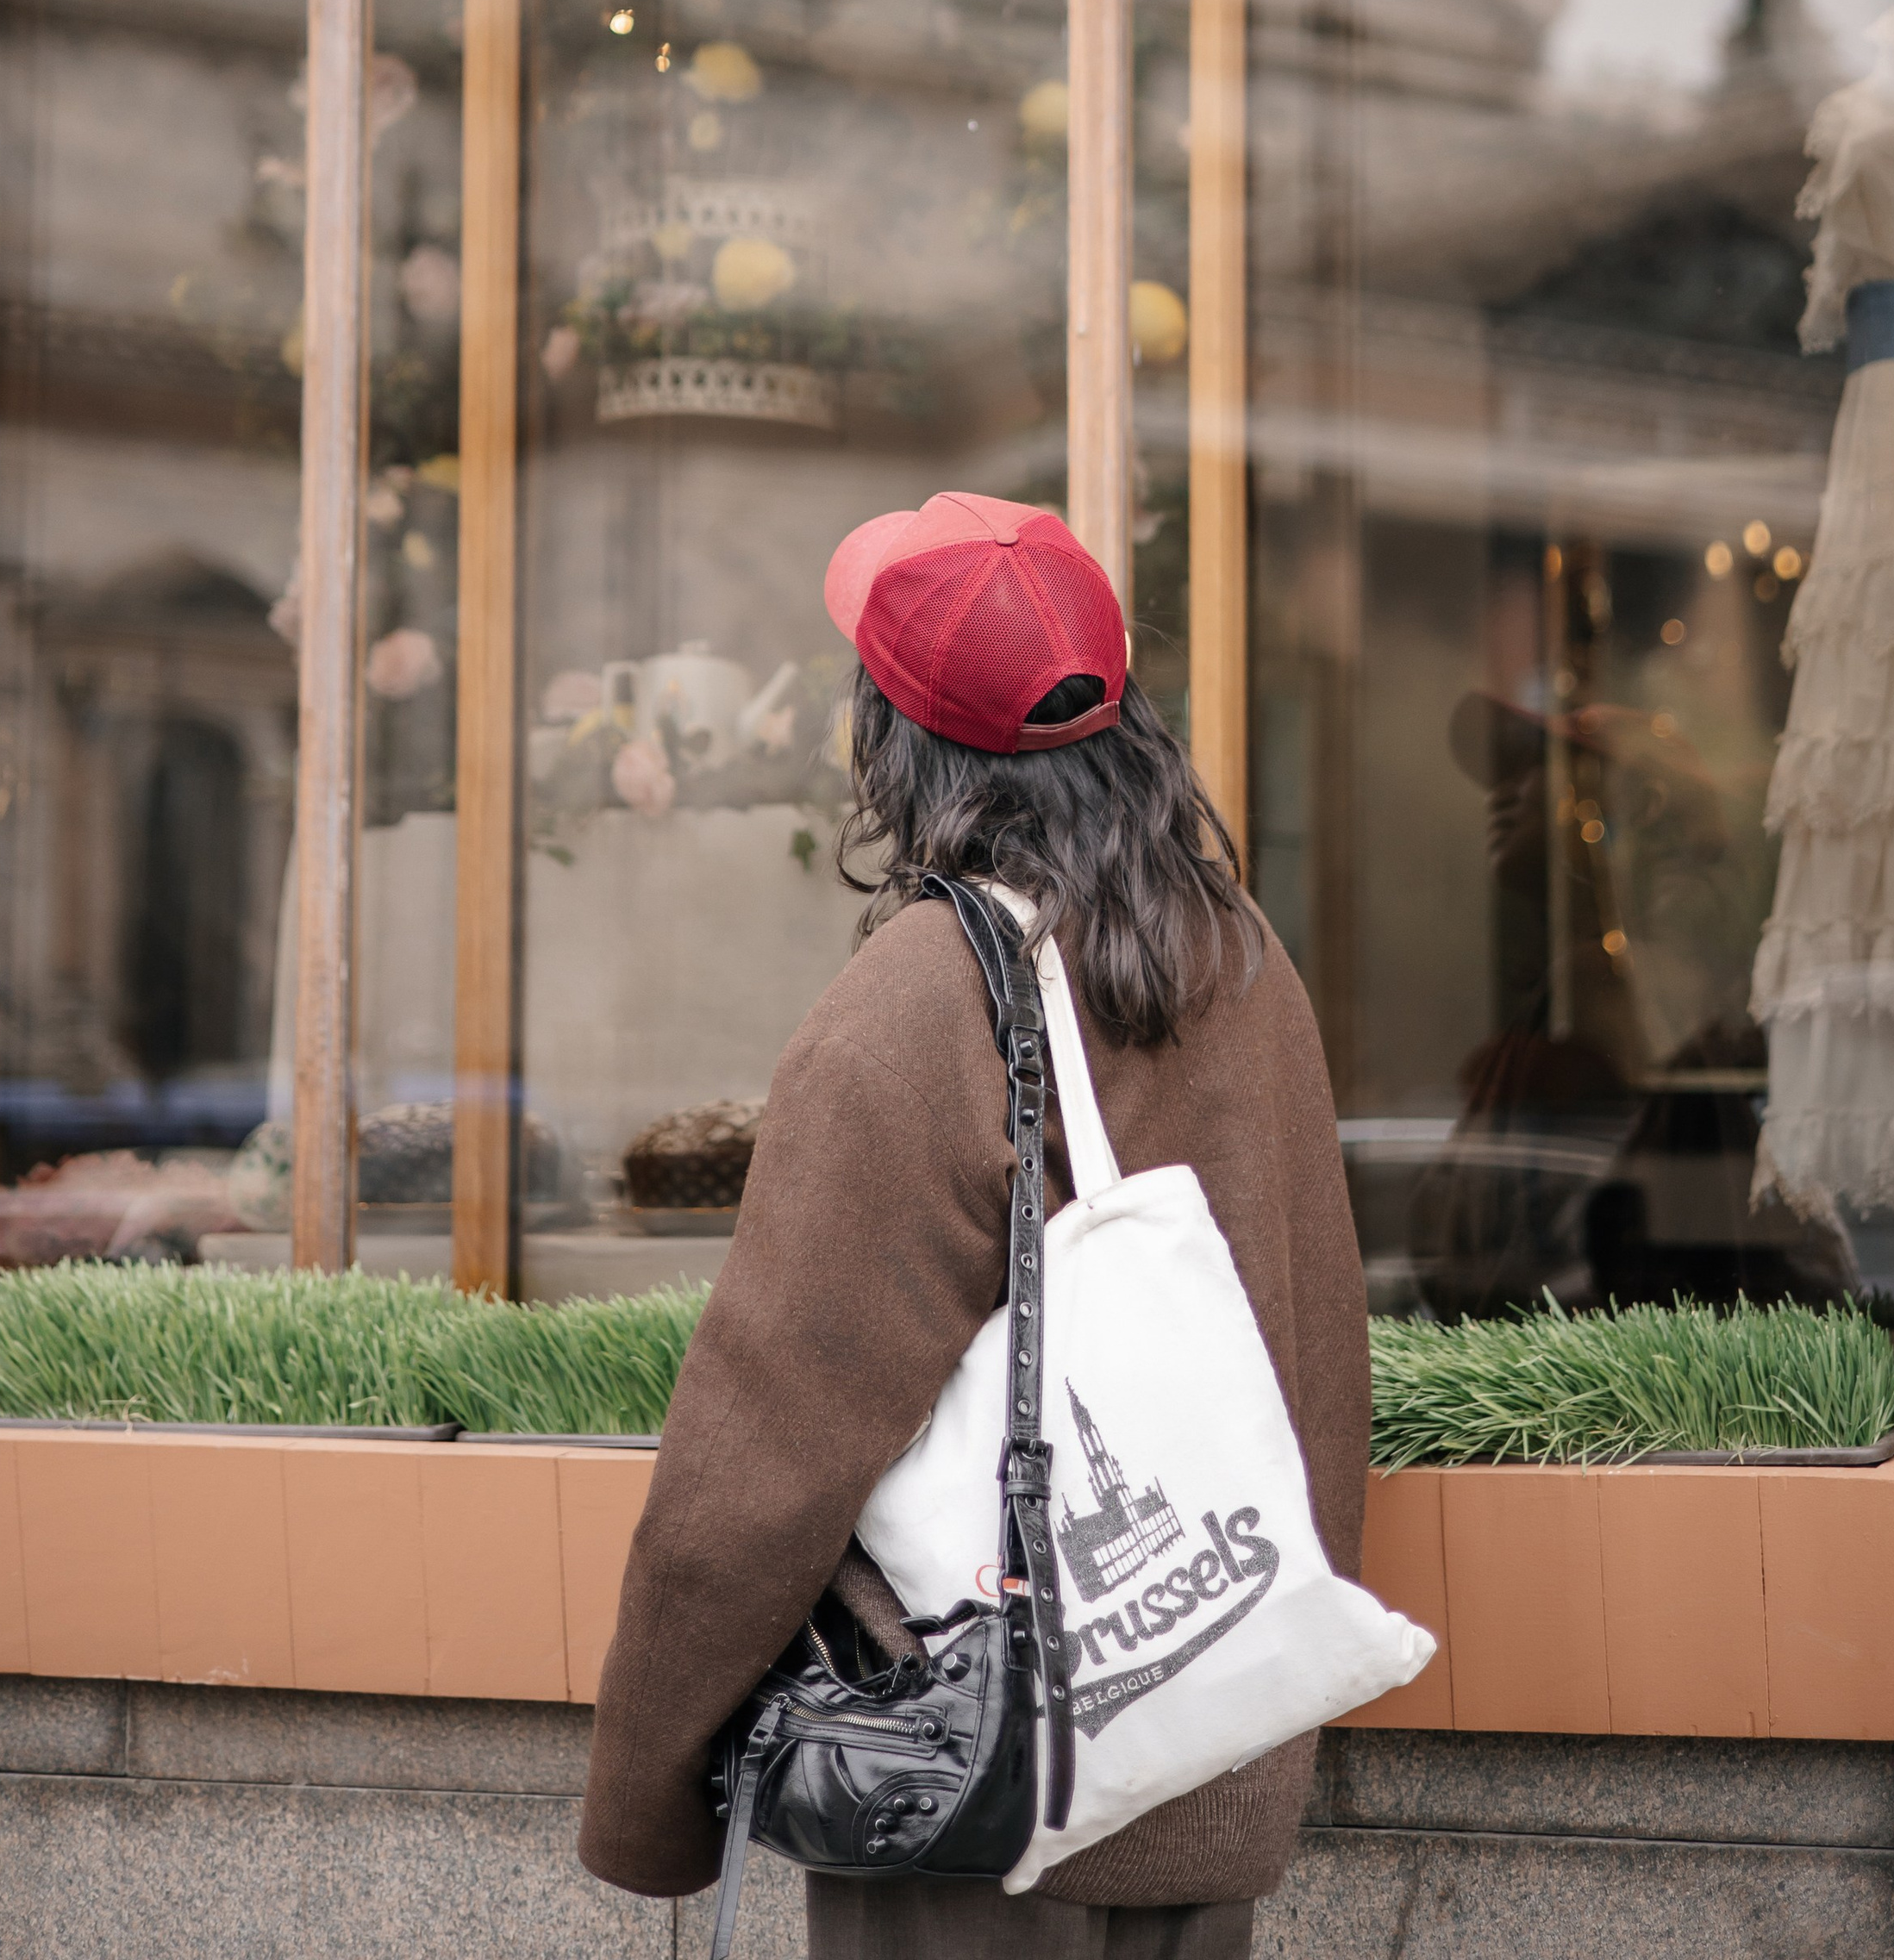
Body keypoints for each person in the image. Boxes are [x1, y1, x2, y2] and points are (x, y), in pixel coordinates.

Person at [578, 492, 1371, 1957]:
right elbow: (1315, 1350)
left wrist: (644, 1796)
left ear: (895, 736)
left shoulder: (914, 1006)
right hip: (1207, 1749)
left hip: (978, 1792)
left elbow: (767, 1447)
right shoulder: (1241, 960)